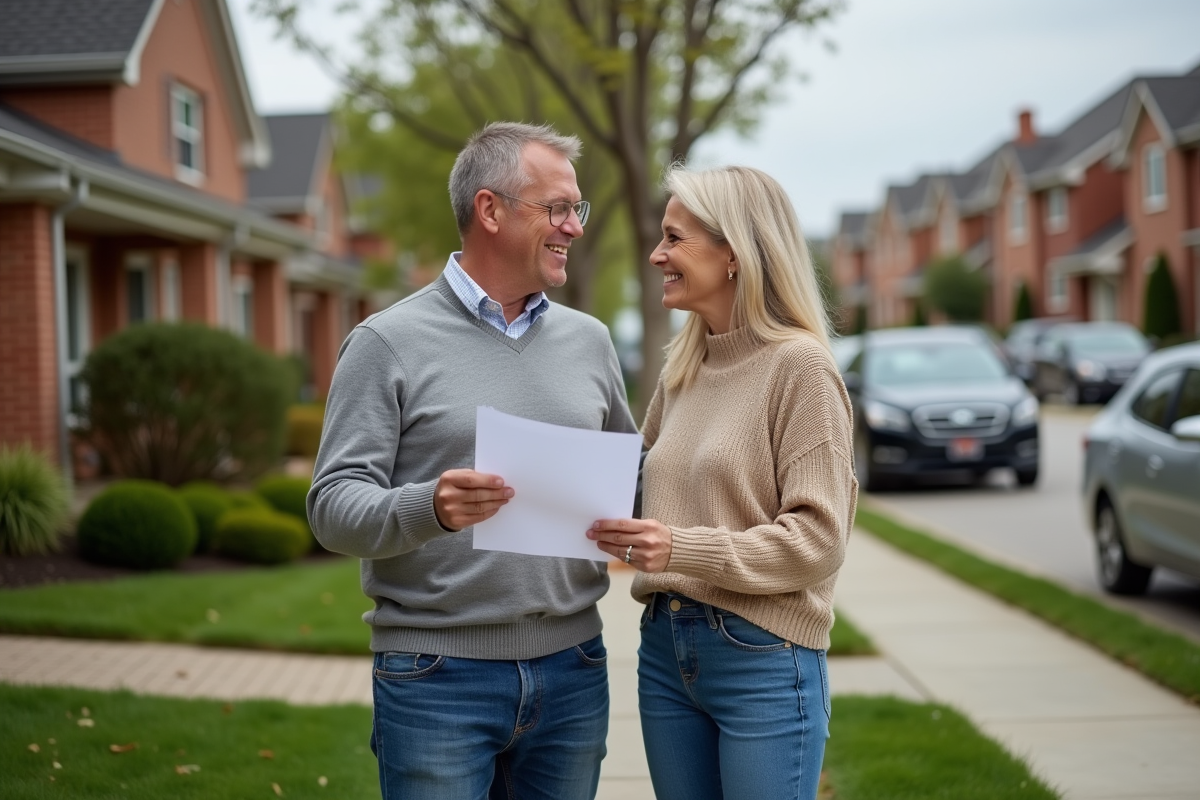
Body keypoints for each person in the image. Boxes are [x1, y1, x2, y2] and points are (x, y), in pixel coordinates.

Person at [308, 121, 638, 800]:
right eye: (557, 208)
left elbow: (632, 481)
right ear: (490, 210)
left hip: (574, 668)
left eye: (577, 209)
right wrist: (429, 507)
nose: (573, 226)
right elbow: (332, 507)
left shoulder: (591, 341)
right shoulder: (385, 343)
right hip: (435, 677)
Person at [588, 164, 858, 800]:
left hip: (762, 655)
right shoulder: (685, 365)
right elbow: (637, 485)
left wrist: (681, 548)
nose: (657, 255)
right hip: (664, 652)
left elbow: (819, 540)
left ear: (733, 252)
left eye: (675, 239)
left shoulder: (801, 370)